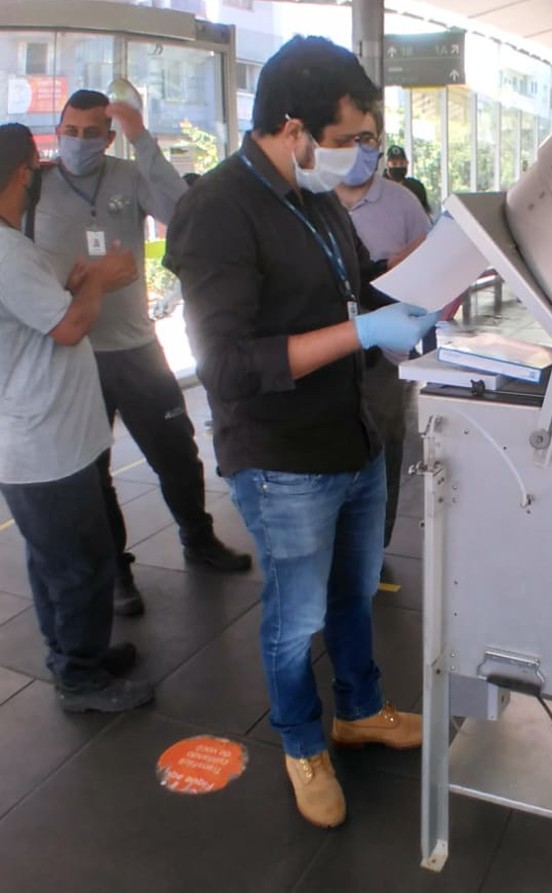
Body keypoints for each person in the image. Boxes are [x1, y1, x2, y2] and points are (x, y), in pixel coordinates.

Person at [163, 36, 440, 829]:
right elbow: (227, 364)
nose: (362, 155)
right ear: (296, 127)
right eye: (352, 138)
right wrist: (362, 334)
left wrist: (433, 273)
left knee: (354, 593)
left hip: (351, 432)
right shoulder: (218, 210)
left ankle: (360, 708)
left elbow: (358, 283)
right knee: (295, 618)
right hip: (283, 457)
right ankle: (301, 741)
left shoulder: (313, 196)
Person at [33, 89, 251, 619]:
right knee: (92, 468)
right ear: (58, 130)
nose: (79, 141)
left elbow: (183, 212)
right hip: (74, 348)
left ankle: (198, 539)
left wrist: (141, 137)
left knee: (176, 451)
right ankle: (117, 572)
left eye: (92, 133)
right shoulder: (34, 185)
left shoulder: (128, 176)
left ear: (109, 138)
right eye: (71, 130)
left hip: (135, 345)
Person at [0, 123, 154, 713]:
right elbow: (66, 328)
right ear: (23, 172)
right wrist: (101, 282)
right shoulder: (9, 252)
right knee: (78, 565)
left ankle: (78, 651)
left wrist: (74, 285)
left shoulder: (15, 247)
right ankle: (79, 677)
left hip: (52, 438)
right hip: (43, 447)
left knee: (57, 561)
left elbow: (38, 311)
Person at [335, 106, 431, 547]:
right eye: (345, 140)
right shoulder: (310, 201)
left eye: (367, 139)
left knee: (385, 443)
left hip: (383, 356)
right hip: (326, 353)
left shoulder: (402, 203)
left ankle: (378, 540)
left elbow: (432, 268)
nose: (358, 150)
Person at [382, 145, 431, 215]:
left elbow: (425, 215)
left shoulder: (416, 188)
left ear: (407, 163)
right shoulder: (378, 188)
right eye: (394, 163)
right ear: (387, 164)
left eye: (402, 163)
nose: (398, 166)